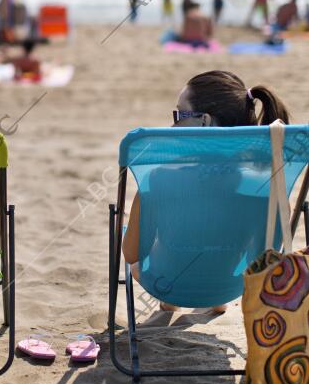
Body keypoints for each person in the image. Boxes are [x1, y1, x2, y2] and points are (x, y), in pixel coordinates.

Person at [122, 70, 290, 315]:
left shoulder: (158, 178)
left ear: (204, 121)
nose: (173, 124)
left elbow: (131, 254)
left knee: (142, 257)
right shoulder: (263, 186)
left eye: (179, 114)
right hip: (230, 286)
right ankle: (214, 295)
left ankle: (172, 300)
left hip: (167, 284)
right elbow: (264, 252)